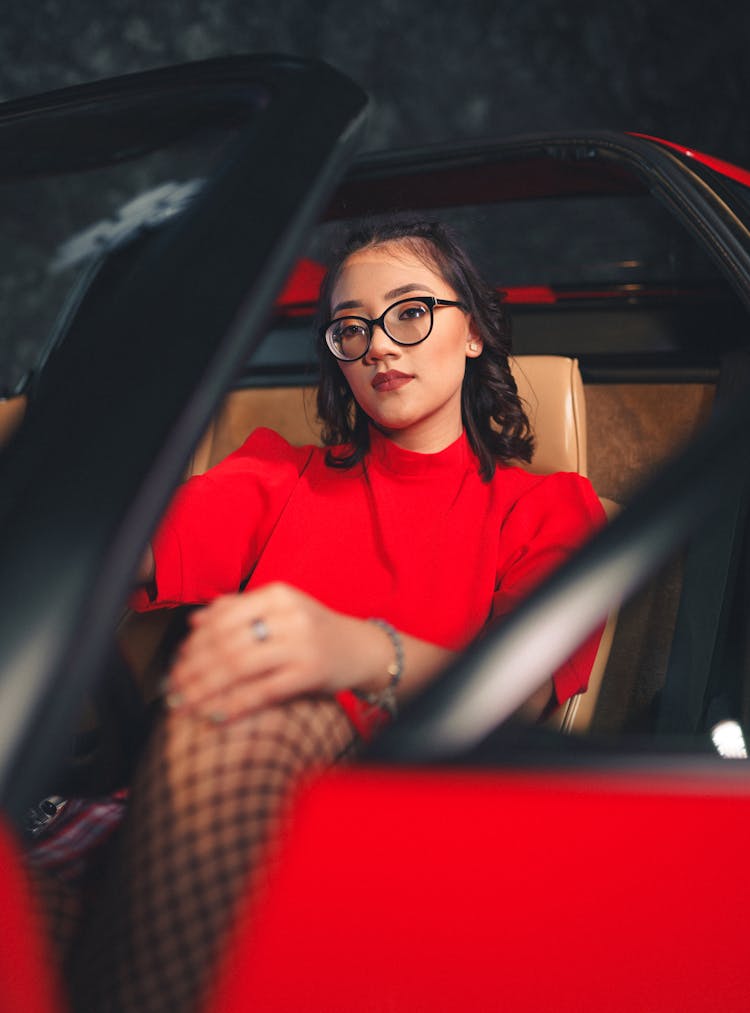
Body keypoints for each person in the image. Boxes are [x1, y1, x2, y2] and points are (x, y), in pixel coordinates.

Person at [40, 219, 605, 1011]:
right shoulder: (278, 475)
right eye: (351, 328)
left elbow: (524, 694)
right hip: (190, 813)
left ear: (473, 330)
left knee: (253, 693)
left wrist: (357, 653)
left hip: (399, 832)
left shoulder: (545, 507)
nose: (378, 344)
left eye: (409, 312)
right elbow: (101, 552)